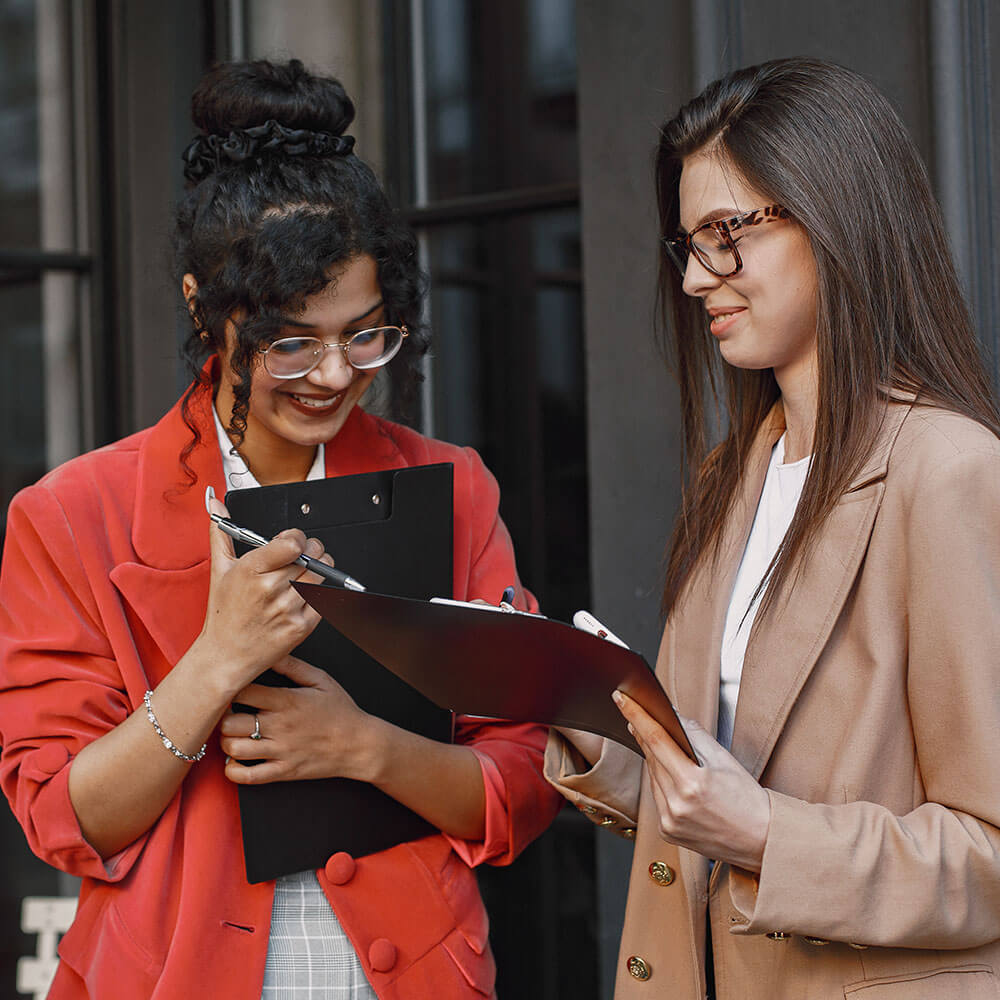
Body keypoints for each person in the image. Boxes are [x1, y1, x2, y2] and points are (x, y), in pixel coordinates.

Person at [0, 58, 561, 1000]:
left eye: (366, 334)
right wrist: (215, 662)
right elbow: (66, 819)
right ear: (202, 308)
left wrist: (364, 748)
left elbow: (527, 778)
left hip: (407, 972)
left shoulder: (451, 486)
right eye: (290, 341)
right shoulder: (71, 515)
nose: (335, 375)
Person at [545, 57, 1000, 999]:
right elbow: (707, 805)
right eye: (688, 244)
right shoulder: (734, 476)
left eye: (727, 234)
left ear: (836, 220)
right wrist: (582, 718)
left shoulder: (949, 472)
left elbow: (991, 852)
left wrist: (764, 833)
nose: (698, 279)